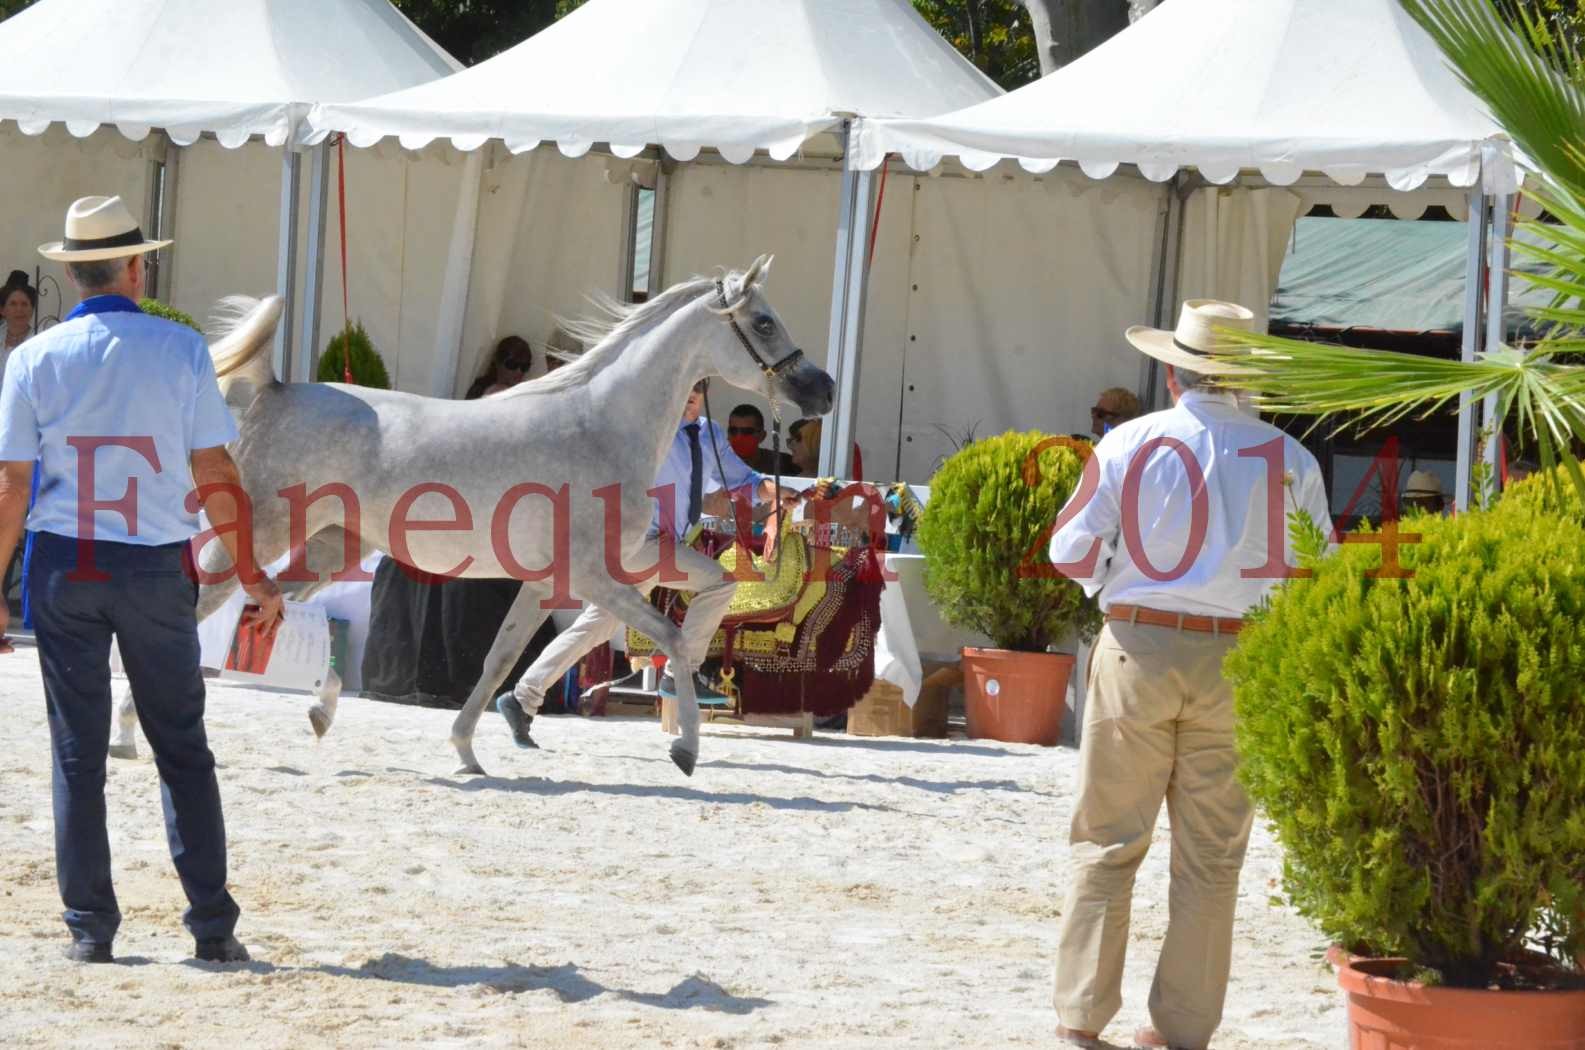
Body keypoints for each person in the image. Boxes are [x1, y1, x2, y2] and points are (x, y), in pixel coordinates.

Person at [0, 195, 284, 966]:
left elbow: (13, 488)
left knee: (75, 752)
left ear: (72, 272)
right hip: (156, 563)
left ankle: (90, 929)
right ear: (135, 266)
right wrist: (255, 577)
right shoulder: (181, 348)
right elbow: (216, 470)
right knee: (182, 747)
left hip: (64, 564)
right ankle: (212, 928)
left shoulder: (31, 357)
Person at [1047, 300, 1332, 1050]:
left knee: (1108, 842)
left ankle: (1080, 1019)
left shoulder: (1125, 444)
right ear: (1246, 380)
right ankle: (1181, 1030)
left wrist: (1117, 577)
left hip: (1138, 648)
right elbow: (1315, 573)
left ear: (1174, 372)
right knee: (1211, 859)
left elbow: (1070, 552)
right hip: (1240, 658)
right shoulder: (1289, 457)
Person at [497, 379, 801, 738]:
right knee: (719, 581)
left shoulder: (709, 435)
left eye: (695, 393)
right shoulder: (646, 427)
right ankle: (681, 674)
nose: (688, 399)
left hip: (655, 542)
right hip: (636, 539)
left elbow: (744, 480)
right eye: (681, 390)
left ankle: (523, 697)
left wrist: (778, 492)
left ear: (704, 396)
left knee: (597, 626)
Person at [727, 403, 797, 475]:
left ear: (762, 436)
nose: (739, 437)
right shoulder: (718, 465)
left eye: (747, 432)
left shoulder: (783, 463)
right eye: (733, 431)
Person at [465, 335, 533, 399]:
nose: (519, 371)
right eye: (512, 364)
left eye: (525, 367)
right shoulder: (478, 389)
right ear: (498, 362)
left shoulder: (526, 393)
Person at [1, 269, 37, 370]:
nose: (19, 309)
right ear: (2, 310)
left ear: (32, 309)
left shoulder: (38, 340)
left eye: (24, 304)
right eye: (13, 304)